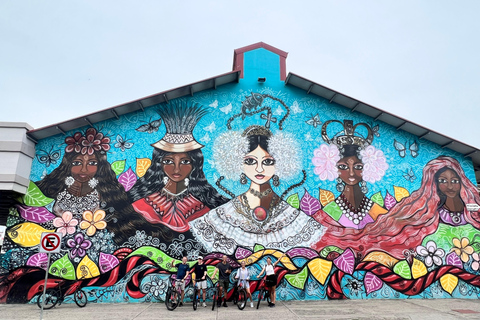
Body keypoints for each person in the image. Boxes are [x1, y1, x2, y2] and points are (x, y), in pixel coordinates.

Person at [108, 102, 228, 247]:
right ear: (160, 164)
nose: (176, 169)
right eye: (169, 161)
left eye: (184, 162)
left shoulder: (204, 207)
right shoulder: (142, 203)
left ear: (194, 165)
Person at [190, 125, 324, 254]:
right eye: (250, 161)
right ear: (238, 162)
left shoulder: (295, 220)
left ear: (281, 162)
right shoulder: (220, 218)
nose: (259, 169)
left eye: (267, 162)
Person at [313, 156, 480, 259]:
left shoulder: (472, 215)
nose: (450, 186)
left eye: (358, 167)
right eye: (443, 180)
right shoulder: (428, 216)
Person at [36, 128, 134, 219]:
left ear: (100, 166)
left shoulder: (108, 195)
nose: (83, 169)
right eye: (77, 163)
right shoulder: (53, 190)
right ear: (68, 165)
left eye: (92, 163)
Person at [312, 119, 388, 229]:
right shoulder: (327, 214)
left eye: (358, 167)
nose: (351, 173)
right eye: (343, 167)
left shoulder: (380, 214)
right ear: (333, 168)